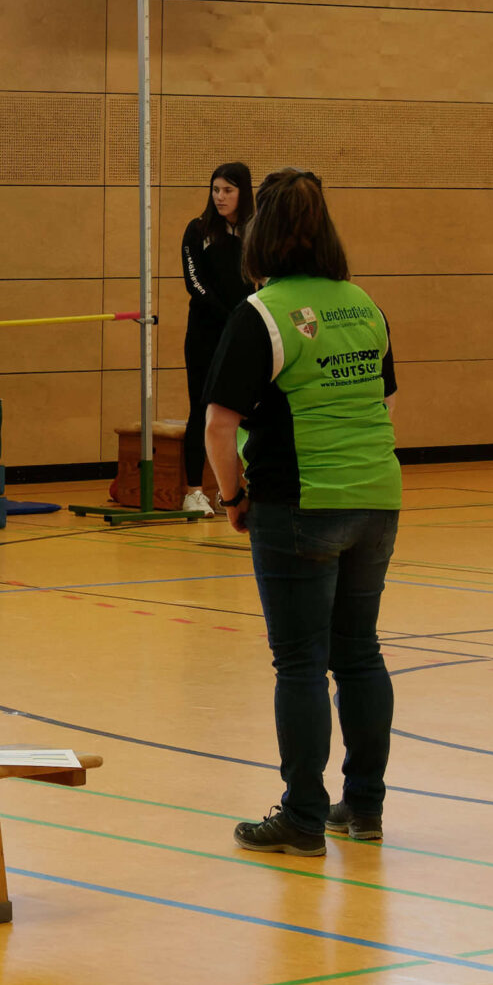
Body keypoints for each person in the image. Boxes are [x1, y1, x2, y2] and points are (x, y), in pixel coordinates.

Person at [202, 170, 401, 858]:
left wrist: (234, 498)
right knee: (360, 654)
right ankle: (365, 809)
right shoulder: (365, 305)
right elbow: (384, 401)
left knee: (299, 664)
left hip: (300, 504)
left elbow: (219, 426)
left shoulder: (261, 314)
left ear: (261, 235)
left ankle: (304, 817)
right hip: (376, 498)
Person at [180, 161, 254, 514]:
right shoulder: (198, 230)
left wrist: (246, 322)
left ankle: (252, 484)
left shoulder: (255, 232)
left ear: (243, 193)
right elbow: (194, 282)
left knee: (252, 410)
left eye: (228, 190)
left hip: (245, 335)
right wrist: (228, 318)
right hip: (206, 335)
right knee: (201, 409)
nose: (220, 197)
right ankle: (194, 492)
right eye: (215, 190)